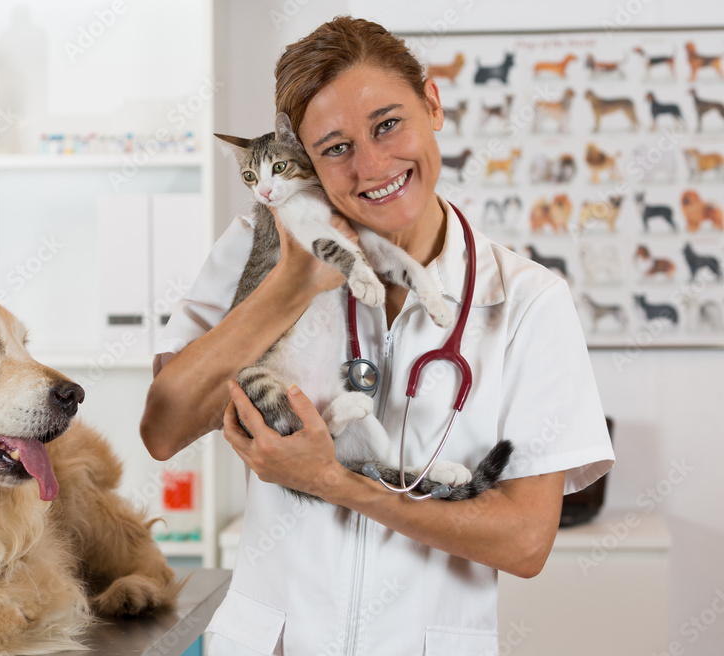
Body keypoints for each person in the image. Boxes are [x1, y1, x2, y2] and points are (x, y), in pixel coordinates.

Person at [140, 16, 614, 656]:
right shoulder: (255, 243)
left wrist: (334, 482)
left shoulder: (529, 302)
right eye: (335, 147)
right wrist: (290, 285)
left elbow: (525, 542)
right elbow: (164, 428)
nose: (372, 165)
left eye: (388, 124)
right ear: (306, 160)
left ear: (433, 103)